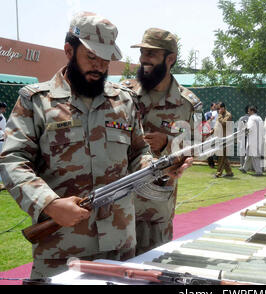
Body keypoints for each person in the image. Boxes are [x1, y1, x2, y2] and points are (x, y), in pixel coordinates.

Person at [0, 12, 191, 278]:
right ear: (69, 50)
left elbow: (138, 153)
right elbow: (12, 160)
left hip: (120, 246)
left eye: (106, 59)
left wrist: (159, 170)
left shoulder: (123, 102)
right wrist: (49, 204)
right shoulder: (36, 102)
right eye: (91, 57)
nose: (100, 66)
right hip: (61, 248)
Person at [121, 28, 201, 254]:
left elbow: (198, 146)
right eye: (143, 53)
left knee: (155, 266)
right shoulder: (122, 94)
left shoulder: (187, 104)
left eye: (151, 54)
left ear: (170, 59)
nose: (143, 60)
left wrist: (168, 143)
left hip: (157, 208)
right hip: (118, 204)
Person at [211, 102, 234, 178]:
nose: (218, 110)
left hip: (226, 139)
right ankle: (229, 172)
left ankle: (218, 173)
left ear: (223, 108)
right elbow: (217, 125)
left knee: (221, 156)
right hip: (219, 138)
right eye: (217, 109)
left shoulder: (228, 115)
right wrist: (212, 131)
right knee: (223, 156)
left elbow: (224, 123)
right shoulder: (219, 115)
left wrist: (220, 115)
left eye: (219, 108)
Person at [241, 105, 264, 176]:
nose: (248, 112)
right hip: (258, 139)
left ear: (252, 111)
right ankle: (244, 168)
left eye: (249, 110)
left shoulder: (251, 118)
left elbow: (248, 128)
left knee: (254, 156)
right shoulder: (259, 118)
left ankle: (259, 171)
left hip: (252, 140)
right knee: (248, 155)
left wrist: (244, 124)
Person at [204, 103, 218, 168]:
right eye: (214, 106)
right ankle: (211, 163)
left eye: (216, 107)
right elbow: (205, 123)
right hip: (210, 132)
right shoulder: (207, 114)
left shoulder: (218, 114)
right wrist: (211, 119)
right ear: (211, 107)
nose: (215, 108)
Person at [237, 105, 250, 171]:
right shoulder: (242, 118)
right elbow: (239, 128)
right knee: (243, 151)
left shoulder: (254, 118)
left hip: (250, 137)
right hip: (244, 137)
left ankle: (247, 166)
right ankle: (242, 165)